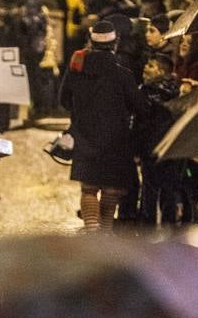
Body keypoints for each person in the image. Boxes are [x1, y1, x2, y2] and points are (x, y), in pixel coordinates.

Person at [60, 21, 148, 232]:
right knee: (110, 189)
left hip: (84, 133)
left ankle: (91, 229)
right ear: (115, 44)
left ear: (91, 42)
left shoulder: (76, 70)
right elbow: (141, 106)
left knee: (89, 188)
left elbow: (63, 100)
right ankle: (105, 230)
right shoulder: (123, 74)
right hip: (116, 138)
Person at [137, 54, 181, 226]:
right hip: (171, 147)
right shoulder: (177, 91)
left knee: (149, 190)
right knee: (168, 189)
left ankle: (148, 229)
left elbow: (141, 123)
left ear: (161, 71)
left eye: (151, 65)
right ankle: (169, 227)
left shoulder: (146, 92)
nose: (146, 67)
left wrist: (136, 148)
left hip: (150, 148)